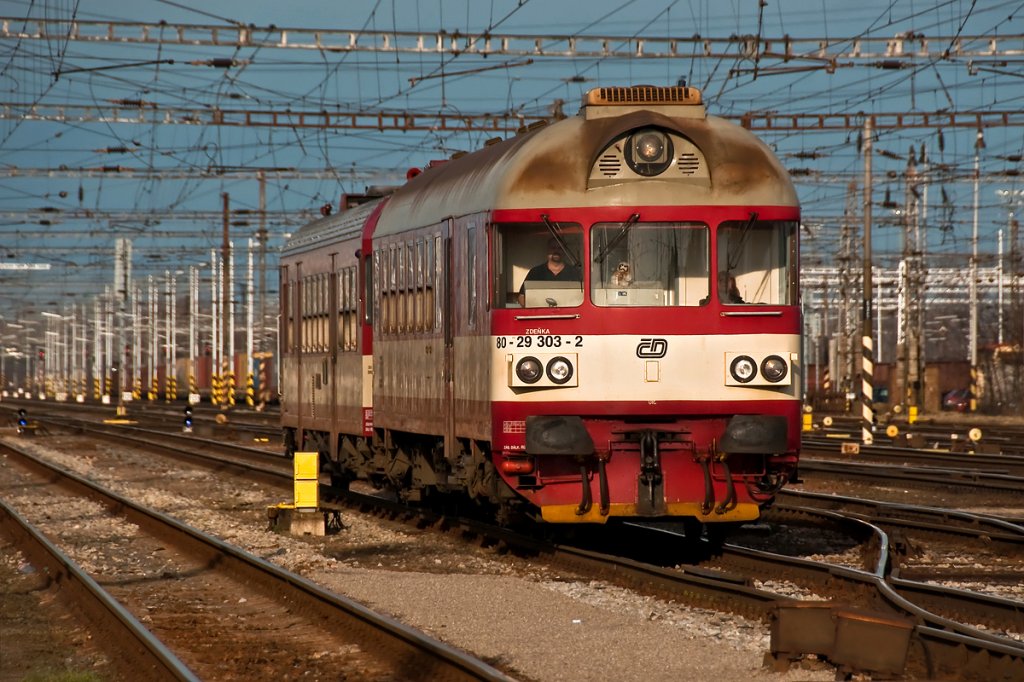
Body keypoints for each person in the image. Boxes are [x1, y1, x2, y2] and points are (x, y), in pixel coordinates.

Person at [518, 237, 581, 306]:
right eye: (553, 248)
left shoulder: (575, 272)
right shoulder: (535, 272)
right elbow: (522, 297)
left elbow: (582, 296)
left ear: (564, 251)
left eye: (560, 248)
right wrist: (534, 312)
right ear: (548, 250)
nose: (556, 251)